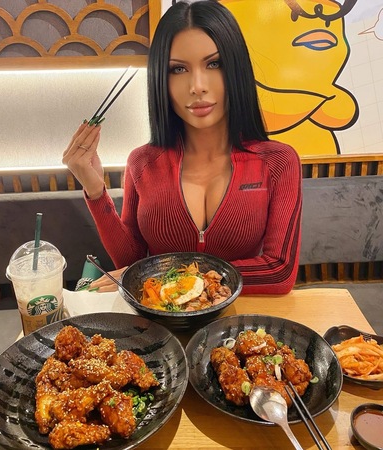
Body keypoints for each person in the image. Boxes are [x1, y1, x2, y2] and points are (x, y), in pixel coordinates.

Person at [62, 0, 302, 295]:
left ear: (236, 69)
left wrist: (169, 277)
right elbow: (130, 262)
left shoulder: (278, 162)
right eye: (178, 69)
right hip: (159, 320)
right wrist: (95, 191)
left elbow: (279, 272)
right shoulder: (142, 162)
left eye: (214, 64)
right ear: (161, 80)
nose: (197, 86)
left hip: (240, 321)